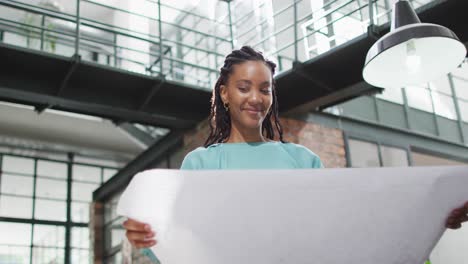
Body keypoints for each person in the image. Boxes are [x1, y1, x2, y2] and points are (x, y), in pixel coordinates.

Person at [123, 46, 468, 253]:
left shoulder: (303, 160)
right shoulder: (200, 164)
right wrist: (147, 237)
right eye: (244, 87)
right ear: (225, 94)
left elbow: (349, 225)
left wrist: (432, 213)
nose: (256, 98)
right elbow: (179, 243)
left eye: (265, 89)